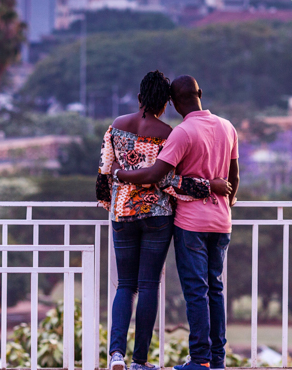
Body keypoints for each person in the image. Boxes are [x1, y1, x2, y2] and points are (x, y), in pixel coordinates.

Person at [97, 70, 232, 370]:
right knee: (148, 286)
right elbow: (170, 180)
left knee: (124, 286)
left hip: (123, 213)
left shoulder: (116, 127)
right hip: (159, 216)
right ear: (165, 103)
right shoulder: (169, 132)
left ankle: (116, 353)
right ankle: (140, 361)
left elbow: (104, 171)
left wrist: (113, 201)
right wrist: (213, 188)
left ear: (139, 97)